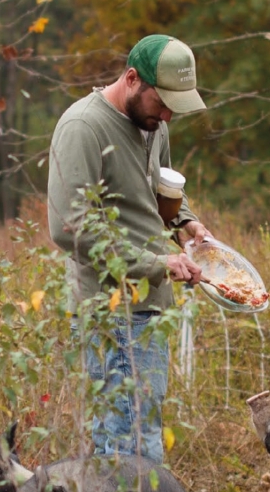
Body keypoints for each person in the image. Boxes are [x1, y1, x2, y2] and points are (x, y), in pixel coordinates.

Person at [47, 34, 212, 463]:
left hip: (147, 307)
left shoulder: (152, 125)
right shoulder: (83, 127)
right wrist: (156, 263)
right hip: (111, 312)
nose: (168, 115)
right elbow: (71, 226)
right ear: (133, 79)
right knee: (130, 450)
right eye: (163, 102)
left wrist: (184, 222)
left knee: (136, 440)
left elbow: (158, 193)